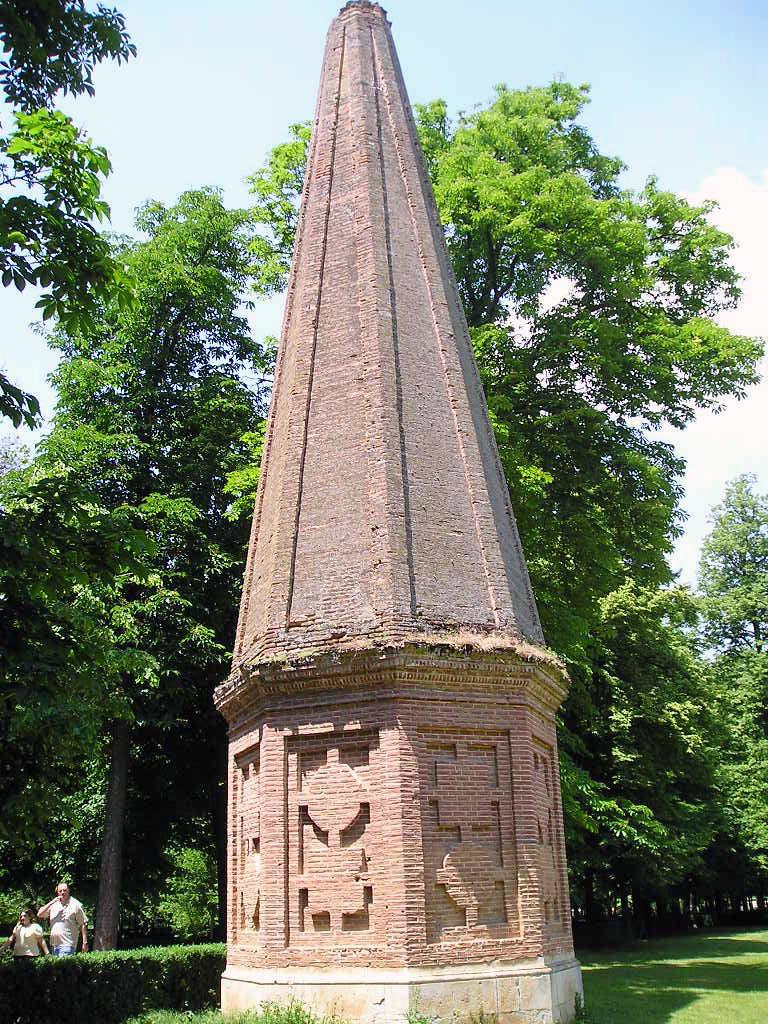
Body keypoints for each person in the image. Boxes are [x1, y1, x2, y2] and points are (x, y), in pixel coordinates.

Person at [37, 882, 88, 956]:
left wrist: (84, 942)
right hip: (54, 946)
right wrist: (52, 902)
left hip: (67, 945)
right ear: (57, 893)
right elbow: (39, 914)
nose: (62, 892)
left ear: (68, 891)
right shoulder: (54, 904)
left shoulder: (75, 905)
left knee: (62, 967)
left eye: (65, 890)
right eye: (60, 891)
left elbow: (82, 924)